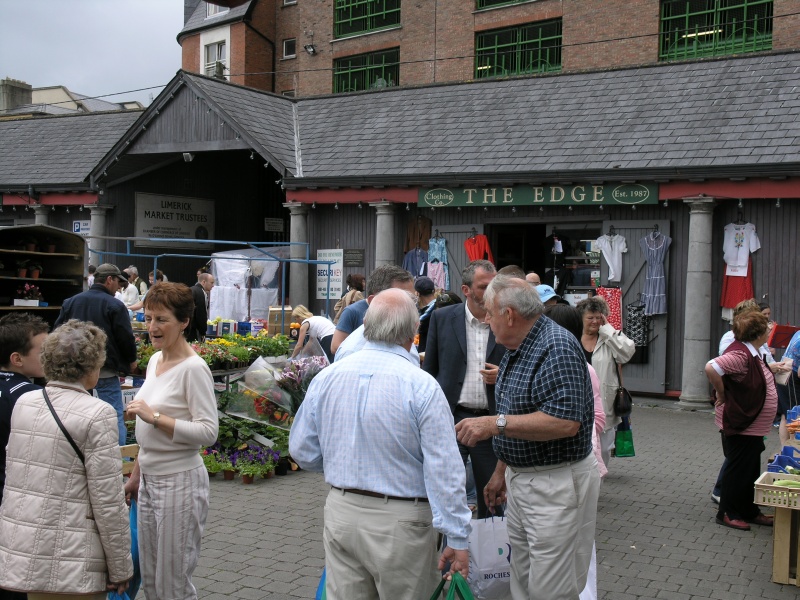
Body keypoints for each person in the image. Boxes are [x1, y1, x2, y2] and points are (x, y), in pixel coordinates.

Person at [289, 289, 472, 599]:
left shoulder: (328, 377)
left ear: (366, 325)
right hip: (402, 520)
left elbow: (302, 450)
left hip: (342, 510)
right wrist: (457, 536)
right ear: (413, 332)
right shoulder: (421, 385)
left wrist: (341, 462)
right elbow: (444, 468)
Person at [455, 275, 600, 600]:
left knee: (552, 589)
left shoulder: (557, 347)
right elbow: (519, 410)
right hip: (527, 481)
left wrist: (495, 424)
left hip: (555, 483)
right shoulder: (519, 348)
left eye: (490, 312)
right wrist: (500, 472)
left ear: (509, 315)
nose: (486, 319)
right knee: (522, 582)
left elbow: (565, 422)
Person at [0, 320, 133, 599]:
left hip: (28, 553)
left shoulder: (26, 402)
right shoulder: (99, 413)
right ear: (93, 367)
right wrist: (121, 567)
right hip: (75, 557)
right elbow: (108, 501)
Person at [124, 282, 219, 600]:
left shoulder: (194, 369)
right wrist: (137, 474)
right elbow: (148, 437)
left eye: (161, 319)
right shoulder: (154, 361)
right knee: (151, 580)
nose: (152, 326)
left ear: (183, 322)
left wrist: (155, 418)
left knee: (173, 583)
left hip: (179, 483)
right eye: (148, 318)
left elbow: (208, 432)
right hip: (150, 482)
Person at [423, 259, 506, 519]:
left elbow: (521, 366)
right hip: (451, 417)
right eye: (484, 287)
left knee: (491, 496)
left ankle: (490, 554)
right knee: (446, 492)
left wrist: (501, 376)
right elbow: (431, 372)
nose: (491, 293)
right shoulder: (442, 317)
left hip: (489, 421)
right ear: (466, 290)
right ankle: (450, 551)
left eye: (495, 286)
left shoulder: (507, 319)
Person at [544, 304, 607, 600]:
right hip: (568, 468)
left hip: (578, 464)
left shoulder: (583, 368)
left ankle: (583, 593)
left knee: (578, 539)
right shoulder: (560, 363)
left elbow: (599, 416)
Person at [705, 309, 777, 531]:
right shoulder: (741, 354)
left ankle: (748, 510)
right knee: (738, 470)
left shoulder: (751, 351)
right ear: (758, 333)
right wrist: (722, 393)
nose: (769, 331)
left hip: (752, 424)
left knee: (749, 469)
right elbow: (712, 367)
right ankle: (727, 512)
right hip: (742, 423)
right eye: (766, 328)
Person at [54, 263, 137, 446]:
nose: (119, 287)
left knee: (75, 414)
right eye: (118, 282)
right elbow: (125, 338)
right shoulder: (115, 305)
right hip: (104, 370)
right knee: (113, 415)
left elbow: (58, 333)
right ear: (109, 280)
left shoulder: (71, 302)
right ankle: (119, 460)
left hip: (74, 372)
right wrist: (131, 360)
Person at [577, 295, 635, 467]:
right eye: (590, 317)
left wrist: (608, 329)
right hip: (578, 403)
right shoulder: (572, 337)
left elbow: (627, 352)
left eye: (598, 317)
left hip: (603, 405)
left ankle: (597, 486)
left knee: (602, 451)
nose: (595, 321)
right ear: (581, 318)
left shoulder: (609, 339)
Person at [0, 313, 48, 508]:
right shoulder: (31, 396)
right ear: (17, 359)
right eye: (43, 351)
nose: (50, 356)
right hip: (13, 493)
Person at [332, 265, 415, 358]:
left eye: (413, 299)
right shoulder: (352, 312)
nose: (411, 306)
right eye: (401, 299)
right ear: (373, 300)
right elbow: (335, 347)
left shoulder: (408, 324)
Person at [188, 272, 215, 342]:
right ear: (203, 282)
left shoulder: (191, 290)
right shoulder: (201, 293)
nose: (213, 285)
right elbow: (201, 314)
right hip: (194, 330)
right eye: (211, 283)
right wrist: (203, 332)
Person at [415, 276, 437, 353]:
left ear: (417, 293)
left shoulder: (429, 312)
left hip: (427, 353)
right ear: (434, 291)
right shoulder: (440, 306)